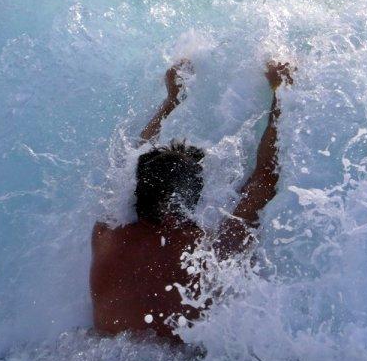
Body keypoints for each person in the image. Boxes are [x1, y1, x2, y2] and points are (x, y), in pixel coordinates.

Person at [90, 57, 293, 342]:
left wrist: (171, 101)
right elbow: (264, 181)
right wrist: (280, 96)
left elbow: (132, 162)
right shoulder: (208, 249)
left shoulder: (105, 237)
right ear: (188, 198)